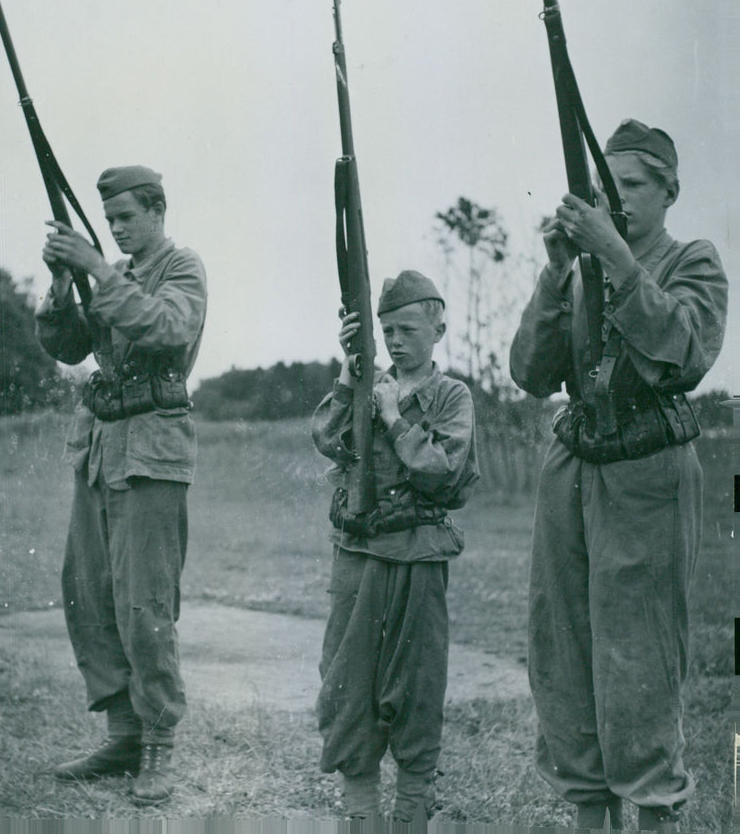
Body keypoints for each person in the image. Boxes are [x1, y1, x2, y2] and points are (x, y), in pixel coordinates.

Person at [509, 120, 728, 833]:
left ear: (669, 191)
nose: (618, 198)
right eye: (608, 186)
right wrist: (555, 273)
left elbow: (686, 353)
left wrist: (620, 265)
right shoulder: (578, 273)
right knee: (564, 649)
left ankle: (656, 813)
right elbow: (532, 374)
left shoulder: (693, 259)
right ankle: (590, 817)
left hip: (649, 472)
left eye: (632, 184)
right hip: (573, 469)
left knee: (640, 653)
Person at [36, 165, 207, 805]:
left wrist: (99, 271)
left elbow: (168, 329)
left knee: (145, 603)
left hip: (153, 453)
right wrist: (61, 282)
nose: (117, 230)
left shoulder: (181, 267)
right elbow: (69, 345)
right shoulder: (119, 275)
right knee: (90, 591)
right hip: (101, 447)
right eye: (109, 223)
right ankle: (122, 733)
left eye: (126, 218)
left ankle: (158, 743)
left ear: (158, 209)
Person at [311, 270, 478, 822]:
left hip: (418, 556)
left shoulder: (451, 395)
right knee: (347, 679)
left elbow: (441, 473)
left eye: (408, 328)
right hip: (358, 556)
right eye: (387, 330)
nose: (396, 340)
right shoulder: (365, 383)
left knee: (416, 684)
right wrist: (347, 376)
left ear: (439, 328)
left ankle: (411, 806)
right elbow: (326, 440)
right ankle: (361, 808)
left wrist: (391, 414)